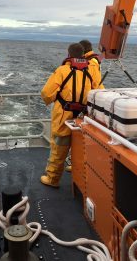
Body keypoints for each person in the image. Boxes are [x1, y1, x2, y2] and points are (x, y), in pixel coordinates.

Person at [40, 43, 101, 188]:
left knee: (59, 146)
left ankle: (53, 179)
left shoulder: (62, 70)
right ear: (83, 55)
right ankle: (78, 174)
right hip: (84, 116)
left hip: (64, 115)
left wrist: (53, 99)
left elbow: (46, 93)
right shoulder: (93, 70)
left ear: (69, 54)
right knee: (81, 145)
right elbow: (99, 92)